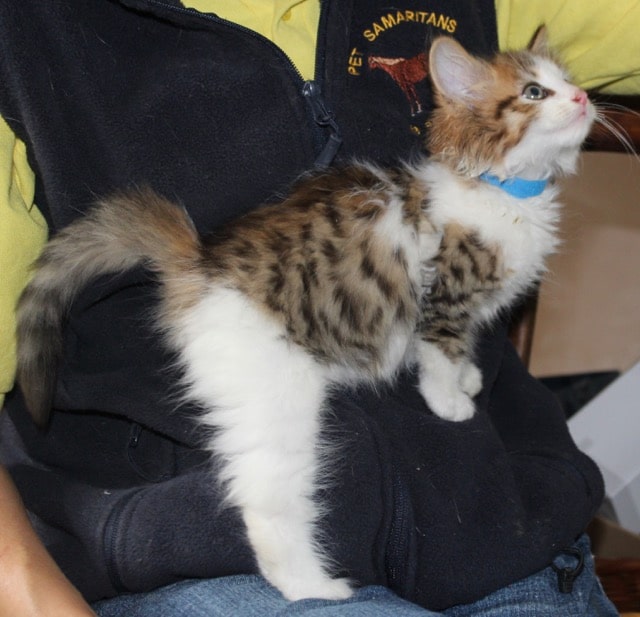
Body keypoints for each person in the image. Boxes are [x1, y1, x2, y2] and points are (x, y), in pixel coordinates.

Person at [0, 1, 638, 615]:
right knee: (277, 435)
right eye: (541, 91)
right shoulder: (29, 29)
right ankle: (286, 556)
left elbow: (451, 307)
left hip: (500, 531)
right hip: (203, 551)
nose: (573, 98)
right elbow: (445, 312)